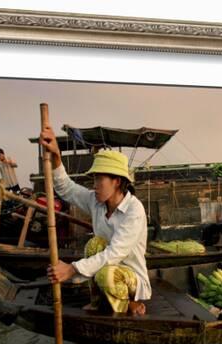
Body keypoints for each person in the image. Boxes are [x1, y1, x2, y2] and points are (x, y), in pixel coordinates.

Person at [40, 126, 150, 316]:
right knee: (94, 244)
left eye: (99, 179)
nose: (94, 185)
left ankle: (131, 304)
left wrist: (72, 268)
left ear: (116, 181)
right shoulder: (96, 202)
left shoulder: (134, 210)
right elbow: (67, 188)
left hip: (130, 278)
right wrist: (56, 156)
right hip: (106, 270)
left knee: (106, 275)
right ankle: (98, 300)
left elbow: (115, 253)